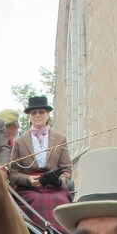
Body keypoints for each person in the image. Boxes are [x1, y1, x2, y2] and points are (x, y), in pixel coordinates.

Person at [8, 95, 72, 225]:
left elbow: (67, 169)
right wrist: (29, 180)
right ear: (29, 116)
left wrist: (59, 181)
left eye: (41, 112)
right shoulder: (19, 142)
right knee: (35, 200)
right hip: (30, 189)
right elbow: (13, 173)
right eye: (33, 112)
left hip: (55, 187)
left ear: (48, 114)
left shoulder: (60, 139)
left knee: (60, 201)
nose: (37, 115)